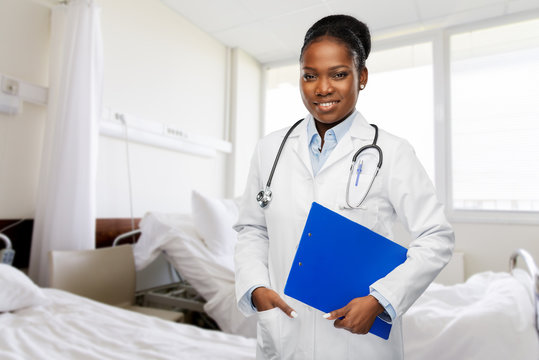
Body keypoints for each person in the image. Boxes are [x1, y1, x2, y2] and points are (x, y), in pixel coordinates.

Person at [234, 14, 454, 360]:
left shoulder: (393, 152)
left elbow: (436, 237)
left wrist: (381, 299)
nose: (322, 88)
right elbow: (251, 228)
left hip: (357, 343)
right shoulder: (270, 149)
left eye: (338, 74)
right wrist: (255, 286)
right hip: (284, 333)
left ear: (361, 77)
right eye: (310, 76)